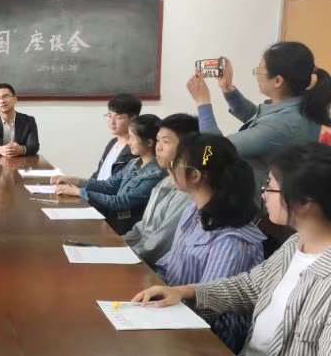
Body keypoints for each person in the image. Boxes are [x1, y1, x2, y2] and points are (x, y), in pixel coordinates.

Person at [134, 142, 331, 356]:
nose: (264, 194)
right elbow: (248, 287)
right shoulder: (294, 245)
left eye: (270, 187)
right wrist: (184, 292)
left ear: (304, 202)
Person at [153, 133, 264, 352]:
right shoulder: (193, 210)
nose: (170, 168)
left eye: (175, 163)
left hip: (208, 338)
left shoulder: (231, 240)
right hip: (175, 312)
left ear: (195, 176)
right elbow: (170, 261)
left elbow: (210, 308)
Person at [187, 42, 331, 193]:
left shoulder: (286, 123)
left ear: (278, 81)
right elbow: (257, 118)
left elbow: (213, 150)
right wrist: (228, 88)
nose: (257, 76)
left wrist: (202, 102)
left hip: (257, 201)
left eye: (259, 70)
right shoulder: (298, 106)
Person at [52, 114, 165, 234]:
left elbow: (120, 202)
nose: (128, 143)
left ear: (149, 142)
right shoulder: (134, 163)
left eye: (132, 138)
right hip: (111, 221)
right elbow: (108, 186)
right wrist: (76, 181)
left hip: (124, 230)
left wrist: (80, 192)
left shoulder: (155, 175)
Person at [122, 113, 199, 266]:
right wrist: (117, 245)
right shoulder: (165, 182)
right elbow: (142, 228)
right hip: (138, 257)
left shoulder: (186, 192)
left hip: (152, 268)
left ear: (186, 147)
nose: (158, 147)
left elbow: (159, 245)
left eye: (166, 141)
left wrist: (123, 257)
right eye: (158, 140)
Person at [0, 83, 39, 157]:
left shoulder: (28, 121)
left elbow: (34, 146)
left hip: (21, 161)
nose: (2, 101)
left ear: (15, 99)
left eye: (5, 97)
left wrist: (21, 150)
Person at [92, 94, 142, 181]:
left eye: (118, 118)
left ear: (133, 118)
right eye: (109, 116)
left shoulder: (135, 150)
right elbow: (98, 177)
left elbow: (116, 186)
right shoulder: (112, 143)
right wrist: (77, 183)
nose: (112, 122)